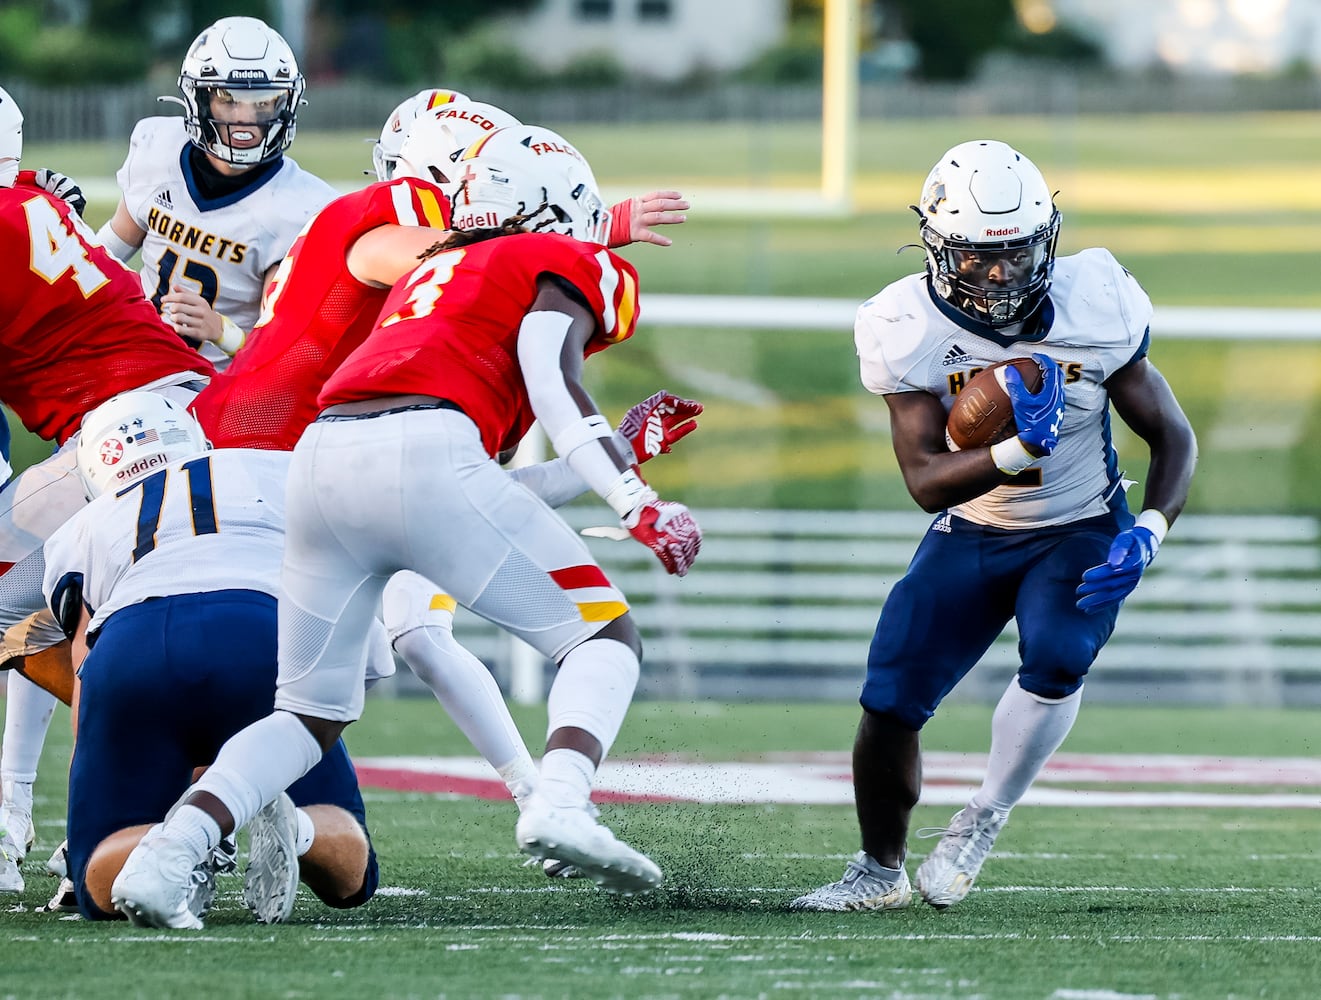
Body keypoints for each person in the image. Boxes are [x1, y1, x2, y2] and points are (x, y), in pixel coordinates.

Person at [111, 124, 702, 928]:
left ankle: (165, 859)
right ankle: (556, 800)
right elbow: (548, 379)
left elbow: (472, 493)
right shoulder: (556, 259)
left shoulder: (431, 278)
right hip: (418, 453)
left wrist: (619, 447)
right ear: (560, 212)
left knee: (306, 715)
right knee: (603, 639)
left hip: (321, 460)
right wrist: (633, 498)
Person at [790, 139, 1197, 912]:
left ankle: (983, 815)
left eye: (1013, 252)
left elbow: (1171, 434)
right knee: (889, 697)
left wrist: (1148, 527)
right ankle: (879, 872)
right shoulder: (901, 323)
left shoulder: (1098, 300)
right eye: (977, 257)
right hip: (972, 528)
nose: (999, 273)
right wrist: (1016, 449)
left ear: (1045, 239)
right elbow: (922, 484)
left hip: (1079, 521)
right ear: (938, 248)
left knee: (1057, 652)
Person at [42, 391, 378, 926]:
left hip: (134, 642)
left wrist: (97, 768)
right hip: (260, 629)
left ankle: (177, 846)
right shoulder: (275, 468)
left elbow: (87, 662)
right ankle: (298, 830)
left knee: (97, 883)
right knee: (351, 877)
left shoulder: (81, 528)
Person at [0, 83, 216, 896]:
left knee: (110, 618)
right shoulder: (22, 201)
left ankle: (176, 796)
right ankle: (196, 773)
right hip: (149, 415)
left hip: (133, 428)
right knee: (20, 601)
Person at [95, 16, 336, 369]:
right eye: (229, 99)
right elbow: (109, 251)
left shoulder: (298, 207)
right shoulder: (157, 149)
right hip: (140, 358)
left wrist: (221, 330)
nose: (246, 119)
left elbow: (282, 352)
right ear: (201, 99)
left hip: (219, 381)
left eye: (264, 102)